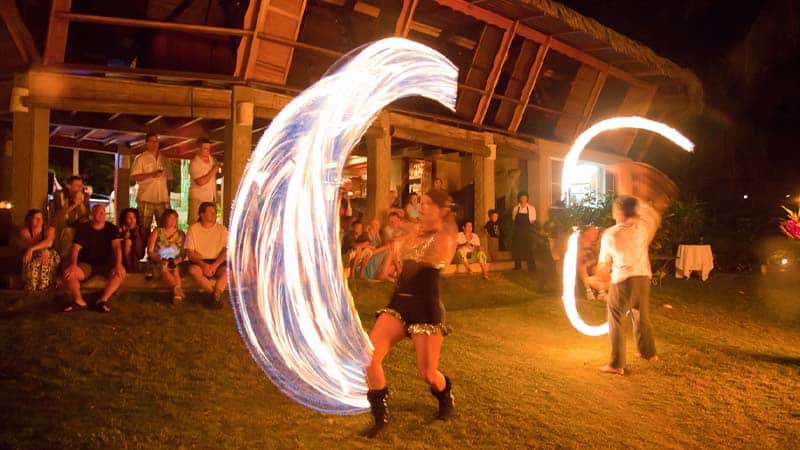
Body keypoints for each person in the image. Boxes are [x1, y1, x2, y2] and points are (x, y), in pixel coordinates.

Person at [363, 189, 458, 438]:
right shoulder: (413, 231)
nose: (422, 207)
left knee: (427, 372)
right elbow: (396, 239)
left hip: (426, 309)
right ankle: (380, 415)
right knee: (370, 356)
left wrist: (410, 235)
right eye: (422, 203)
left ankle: (445, 394)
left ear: (442, 211)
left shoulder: (445, 238)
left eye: (428, 204)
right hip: (399, 305)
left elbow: (432, 255)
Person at [596, 196, 660, 375]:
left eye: (615, 208)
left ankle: (616, 364)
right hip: (643, 279)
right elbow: (653, 215)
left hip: (624, 280)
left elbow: (604, 263)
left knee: (615, 318)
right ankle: (649, 353)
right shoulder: (642, 227)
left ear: (619, 211)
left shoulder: (611, 234)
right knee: (641, 316)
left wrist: (600, 271)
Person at [62, 204, 126, 313]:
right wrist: (73, 264)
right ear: (92, 214)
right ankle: (79, 301)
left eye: (104, 213)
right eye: (99, 212)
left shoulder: (111, 228)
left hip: (106, 264)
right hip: (87, 264)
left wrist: (118, 264)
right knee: (70, 274)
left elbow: (117, 247)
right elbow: (75, 248)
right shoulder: (83, 228)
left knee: (120, 273)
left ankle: (102, 301)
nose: (102, 215)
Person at [185, 202, 228, 306]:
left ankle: (216, 293)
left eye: (215, 212)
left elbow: (227, 250)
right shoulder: (193, 229)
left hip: (217, 261)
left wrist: (215, 265)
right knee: (194, 270)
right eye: (210, 212)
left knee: (228, 272)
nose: (214, 214)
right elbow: (190, 252)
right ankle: (214, 295)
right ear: (202, 214)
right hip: (200, 261)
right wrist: (203, 265)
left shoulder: (222, 229)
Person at [131, 132, 172, 233]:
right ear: (147, 143)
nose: (154, 144)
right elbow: (135, 176)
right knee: (143, 229)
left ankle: (160, 248)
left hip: (162, 199)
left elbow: (169, 179)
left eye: (156, 141)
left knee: (164, 228)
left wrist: (168, 195)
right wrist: (151, 175)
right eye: (152, 141)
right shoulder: (140, 158)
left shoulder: (165, 159)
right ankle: (143, 248)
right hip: (146, 198)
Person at [147, 209, 186, 303]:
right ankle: (177, 291)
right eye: (170, 218)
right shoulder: (157, 231)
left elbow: (183, 253)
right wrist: (159, 258)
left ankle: (177, 295)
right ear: (165, 219)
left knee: (175, 268)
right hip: (159, 260)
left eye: (175, 218)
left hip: (175, 261)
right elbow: (150, 251)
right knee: (164, 267)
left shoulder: (181, 234)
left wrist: (177, 260)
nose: (173, 221)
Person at [19, 209, 60, 291]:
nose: (39, 220)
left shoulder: (49, 229)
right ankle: (31, 286)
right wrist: (41, 249)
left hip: (50, 254)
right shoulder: (25, 231)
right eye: (36, 218)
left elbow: (48, 241)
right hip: (34, 254)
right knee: (33, 260)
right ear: (30, 220)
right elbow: (31, 242)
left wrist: (33, 248)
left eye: (41, 218)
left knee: (46, 257)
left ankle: (44, 285)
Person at [50, 175, 90, 256]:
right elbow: (58, 215)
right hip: (61, 226)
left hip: (78, 225)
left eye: (81, 186)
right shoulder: (59, 195)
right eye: (77, 186)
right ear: (68, 186)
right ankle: (63, 257)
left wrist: (81, 203)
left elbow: (86, 215)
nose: (79, 188)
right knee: (68, 232)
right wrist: (74, 204)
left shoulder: (84, 196)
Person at [188, 137, 220, 224]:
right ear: (198, 148)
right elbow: (200, 182)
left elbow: (214, 177)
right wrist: (214, 170)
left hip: (210, 198)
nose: (208, 151)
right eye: (205, 148)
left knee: (210, 223)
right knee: (195, 223)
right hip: (198, 199)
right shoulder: (194, 163)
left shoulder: (212, 160)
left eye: (209, 148)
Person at [578, 226, 609, 301]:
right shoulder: (593, 245)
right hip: (598, 275)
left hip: (609, 276)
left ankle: (601, 292)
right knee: (583, 267)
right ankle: (591, 292)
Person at [511, 193, 536, 271]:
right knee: (517, 249)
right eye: (522, 197)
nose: (523, 199)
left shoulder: (531, 208)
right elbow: (514, 219)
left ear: (527, 198)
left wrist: (526, 226)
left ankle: (531, 267)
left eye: (525, 197)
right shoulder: (516, 208)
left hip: (527, 232)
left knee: (528, 249)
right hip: (518, 232)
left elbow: (533, 220)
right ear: (519, 198)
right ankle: (518, 266)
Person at [118, 208, 146, 273]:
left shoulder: (141, 229)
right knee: (127, 242)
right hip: (123, 257)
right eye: (129, 218)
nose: (132, 220)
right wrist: (125, 237)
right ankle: (131, 269)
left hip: (138, 252)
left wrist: (136, 232)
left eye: (134, 217)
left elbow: (139, 251)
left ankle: (131, 269)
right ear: (124, 219)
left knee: (128, 242)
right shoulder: (121, 230)